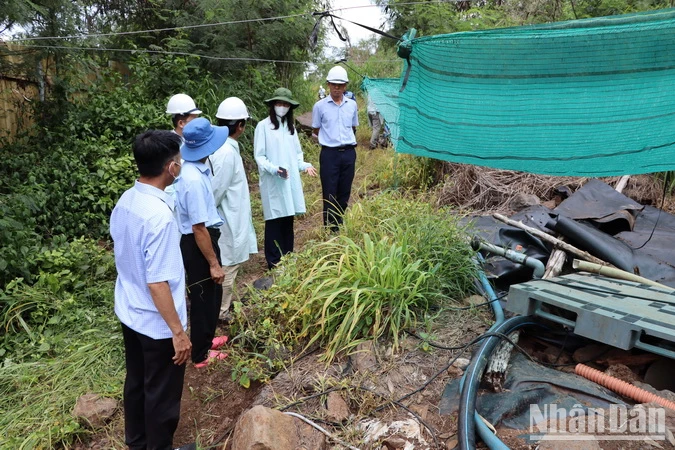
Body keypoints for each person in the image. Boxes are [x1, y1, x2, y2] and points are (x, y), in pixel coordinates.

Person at [110, 130, 191, 450]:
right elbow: (157, 282)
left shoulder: (127, 200)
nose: (181, 165)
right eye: (179, 161)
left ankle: (137, 441)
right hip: (157, 324)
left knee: (138, 382)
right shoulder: (160, 218)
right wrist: (178, 332)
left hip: (130, 312)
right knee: (162, 395)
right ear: (171, 167)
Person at [173, 117, 230, 368]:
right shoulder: (193, 179)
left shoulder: (196, 169)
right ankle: (200, 355)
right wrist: (213, 262)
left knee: (211, 292)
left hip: (203, 237)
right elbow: (197, 226)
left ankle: (206, 340)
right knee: (202, 295)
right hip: (198, 240)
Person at [254, 87, 317, 269]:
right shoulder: (263, 127)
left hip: (289, 181)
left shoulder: (290, 129)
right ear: (273, 105)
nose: (282, 107)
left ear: (290, 107)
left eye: (285, 104)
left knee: (288, 218)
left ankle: (288, 257)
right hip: (273, 181)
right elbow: (260, 156)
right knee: (274, 219)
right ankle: (273, 261)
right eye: (279, 103)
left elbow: (296, 155)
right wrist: (275, 170)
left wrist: (305, 165)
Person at [212, 97, 258, 320]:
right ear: (240, 126)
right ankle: (221, 311)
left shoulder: (224, 148)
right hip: (226, 221)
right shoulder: (226, 153)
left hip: (231, 217)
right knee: (228, 267)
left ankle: (221, 307)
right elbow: (215, 192)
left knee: (230, 264)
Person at [311, 65, 359, 232]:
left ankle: (339, 223)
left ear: (345, 86)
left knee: (344, 191)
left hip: (348, 153)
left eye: (340, 85)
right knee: (329, 191)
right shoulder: (320, 106)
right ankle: (330, 229)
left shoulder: (352, 105)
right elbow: (316, 130)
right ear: (328, 84)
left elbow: (353, 127)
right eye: (333, 84)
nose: (336, 88)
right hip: (329, 154)